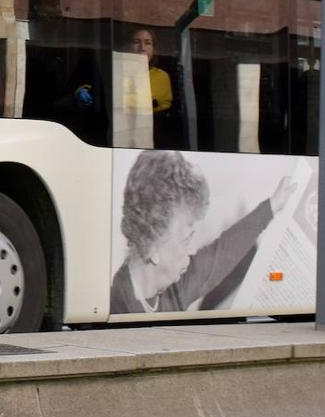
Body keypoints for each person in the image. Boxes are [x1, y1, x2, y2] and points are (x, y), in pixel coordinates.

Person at [109, 150, 296, 314]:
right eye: (185, 240)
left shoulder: (172, 288)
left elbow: (220, 253)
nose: (192, 250)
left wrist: (272, 206)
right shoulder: (118, 305)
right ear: (152, 247)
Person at [130, 28, 173, 115]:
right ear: (128, 47)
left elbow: (165, 107)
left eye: (148, 43)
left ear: (154, 49)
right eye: (136, 42)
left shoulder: (162, 77)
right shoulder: (118, 72)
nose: (142, 48)